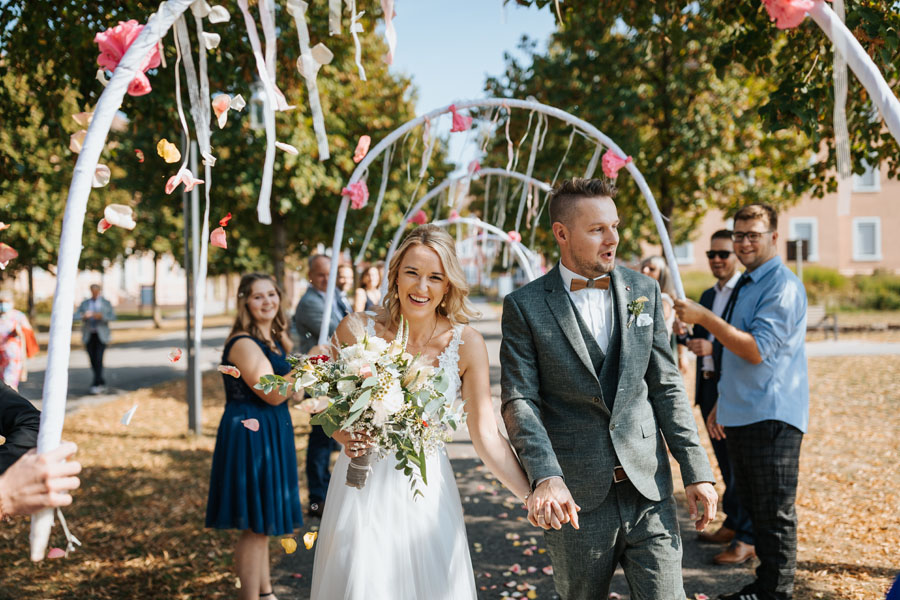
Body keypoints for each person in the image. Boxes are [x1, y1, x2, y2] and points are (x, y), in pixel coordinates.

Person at [500, 178, 717, 600]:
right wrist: (545, 475)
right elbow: (519, 400)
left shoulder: (645, 291)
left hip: (648, 489)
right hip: (575, 498)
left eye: (614, 226)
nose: (613, 239)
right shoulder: (524, 306)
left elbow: (666, 386)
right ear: (562, 233)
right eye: (597, 229)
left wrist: (696, 470)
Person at [310, 225, 532, 599]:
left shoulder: (465, 344)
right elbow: (319, 394)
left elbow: (486, 434)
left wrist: (530, 495)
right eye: (412, 272)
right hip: (359, 490)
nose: (421, 287)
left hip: (425, 493)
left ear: (448, 286)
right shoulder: (355, 329)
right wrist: (340, 433)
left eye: (435, 277)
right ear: (395, 274)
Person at [676, 204, 808, 600]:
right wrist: (722, 403)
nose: (744, 242)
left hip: (772, 416)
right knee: (753, 507)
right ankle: (764, 586)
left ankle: (776, 593)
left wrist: (704, 317)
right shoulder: (749, 284)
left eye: (753, 234)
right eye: (739, 235)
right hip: (742, 412)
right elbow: (733, 355)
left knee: (774, 514)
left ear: (772, 237)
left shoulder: (781, 286)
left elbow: (755, 351)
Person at [206, 273, 303, 600]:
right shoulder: (243, 342)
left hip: (272, 429)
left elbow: (294, 393)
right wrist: (310, 365)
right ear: (245, 301)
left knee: (262, 524)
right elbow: (273, 392)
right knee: (254, 524)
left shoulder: (276, 340)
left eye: (271, 294)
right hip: (250, 433)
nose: (267, 302)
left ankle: (265, 593)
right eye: (258, 296)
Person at [686, 229, 755, 565]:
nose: (717, 260)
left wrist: (714, 346)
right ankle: (734, 522)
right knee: (726, 464)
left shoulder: (746, 292)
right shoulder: (707, 296)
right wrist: (686, 338)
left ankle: (747, 535)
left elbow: (745, 342)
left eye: (723, 254)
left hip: (733, 387)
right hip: (708, 385)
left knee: (740, 467)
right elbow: (699, 339)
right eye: (711, 254)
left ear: (736, 256)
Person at [292, 255, 349, 517]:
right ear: (311, 276)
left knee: (329, 439)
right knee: (320, 438)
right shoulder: (309, 303)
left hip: (333, 376)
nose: (326, 279)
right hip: (317, 377)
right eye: (321, 275)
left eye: (330, 273)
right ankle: (317, 498)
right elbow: (341, 332)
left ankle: (327, 492)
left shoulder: (335, 295)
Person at [640, 255, 689, 374]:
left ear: (662, 275)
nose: (645, 271)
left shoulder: (663, 300)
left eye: (652, 269)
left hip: (656, 357)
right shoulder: (645, 297)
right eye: (644, 267)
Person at [75, 284, 115, 394]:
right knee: (92, 359)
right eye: (93, 291)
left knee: (99, 358)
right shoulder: (85, 303)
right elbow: (75, 316)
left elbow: (113, 316)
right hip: (89, 334)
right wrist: (84, 316)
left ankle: (96, 383)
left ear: (99, 291)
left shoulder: (105, 303)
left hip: (101, 335)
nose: (94, 293)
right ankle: (100, 381)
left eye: (96, 291)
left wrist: (102, 316)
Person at [0, 290, 39, 390]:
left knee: (10, 386)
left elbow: (28, 334)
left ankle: (12, 405)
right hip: (1, 357)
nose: (3, 305)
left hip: (13, 357)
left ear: (12, 302)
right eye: (1, 302)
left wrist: (20, 331)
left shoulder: (18, 316)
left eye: (6, 302)